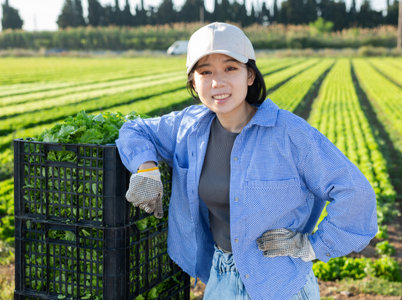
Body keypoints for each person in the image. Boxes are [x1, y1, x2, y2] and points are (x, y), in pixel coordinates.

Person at [116, 22, 378, 300]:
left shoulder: (290, 133)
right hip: (221, 278)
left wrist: (312, 246)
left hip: (280, 283)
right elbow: (135, 129)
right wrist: (146, 169)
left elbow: (355, 193)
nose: (218, 82)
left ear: (250, 75)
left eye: (230, 68)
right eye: (205, 72)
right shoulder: (187, 128)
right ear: (193, 81)